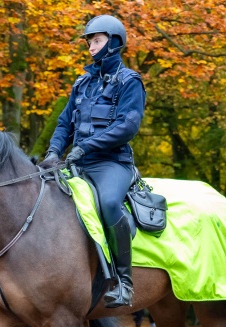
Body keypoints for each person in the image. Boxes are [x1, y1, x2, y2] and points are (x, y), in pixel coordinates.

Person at [38, 15, 146, 308]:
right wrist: (52, 153)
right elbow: (63, 125)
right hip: (76, 164)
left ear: (113, 43)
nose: (91, 47)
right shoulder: (82, 84)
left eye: (96, 41)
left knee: (110, 203)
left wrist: (84, 148)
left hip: (112, 163)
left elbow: (127, 126)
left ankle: (123, 281)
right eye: (89, 42)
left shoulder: (130, 81)